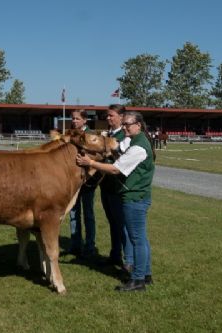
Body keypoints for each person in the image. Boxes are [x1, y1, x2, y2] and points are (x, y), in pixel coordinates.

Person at [77, 111, 155, 292]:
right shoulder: (136, 141)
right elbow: (117, 152)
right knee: (140, 238)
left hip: (134, 197)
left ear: (139, 125)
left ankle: (137, 280)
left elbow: (114, 169)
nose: (125, 126)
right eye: (125, 123)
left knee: (137, 239)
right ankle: (145, 275)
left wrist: (90, 163)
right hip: (137, 196)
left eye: (128, 124)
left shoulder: (138, 147)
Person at [68, 109, 97, 258]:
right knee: (73, 214)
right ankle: (75, 245)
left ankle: (90, 246)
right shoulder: (71, 134)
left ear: (85, 120)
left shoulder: (92, 136)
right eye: (73, 118)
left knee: (88, 215)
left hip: (87, 183)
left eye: (77, 119)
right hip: (72, 182)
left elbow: (97, 158)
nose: (74, 121)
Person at [99, 104, 126, 267]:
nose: (108, 118)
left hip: (118, 186)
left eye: (111, 115)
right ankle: (115, 254)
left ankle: (127, 259)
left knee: (121, 224)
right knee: (112, 222)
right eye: (107, 116)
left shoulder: (125, 135)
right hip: (106, 185)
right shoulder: (108, 134)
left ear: (121, 117)